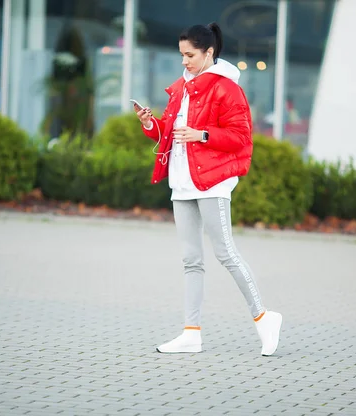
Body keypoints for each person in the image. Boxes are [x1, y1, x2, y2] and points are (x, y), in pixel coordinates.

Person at [134, 22, 282, 356]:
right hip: (182, 181)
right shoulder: (181, 88)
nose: (184, 61)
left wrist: (202, 135)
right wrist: (149, 123)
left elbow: (241, 138)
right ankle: (191, 332)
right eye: (181, 54)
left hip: (212, 181)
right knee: (191, 260)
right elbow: (169, 134)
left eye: (190, 55)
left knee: (225, 252)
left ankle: (264, 318)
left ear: (209, 52)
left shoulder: (227, 89)